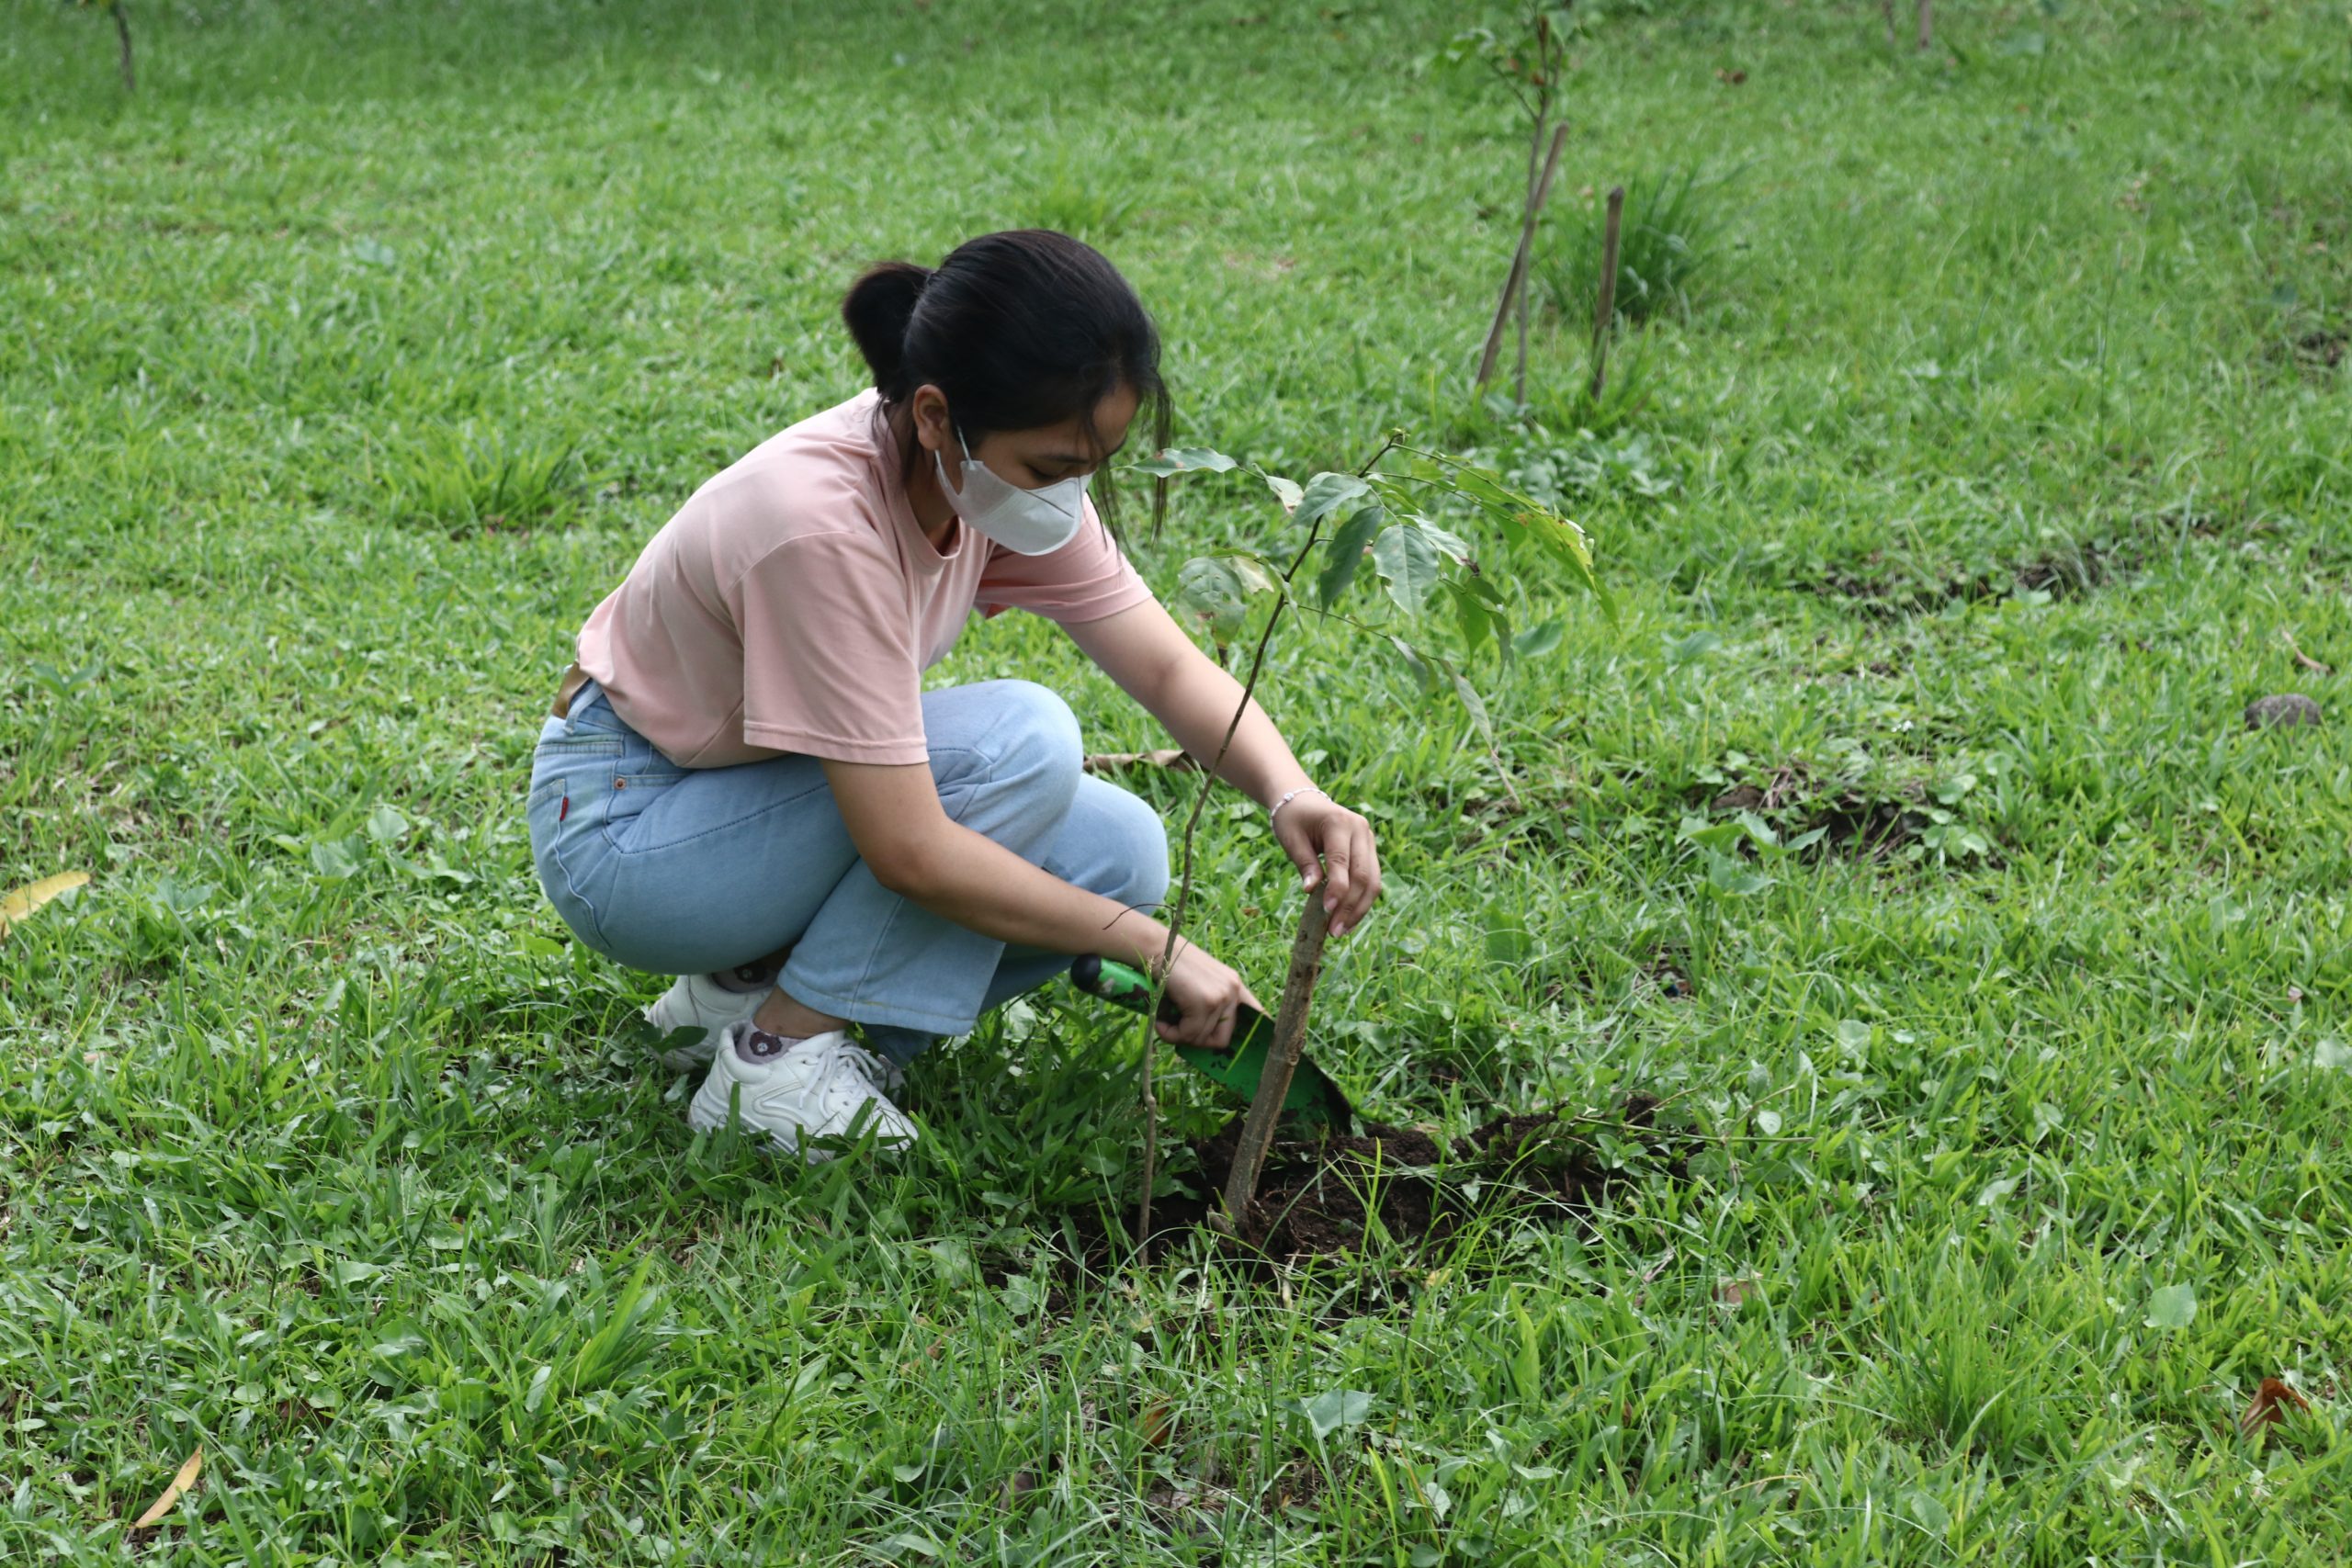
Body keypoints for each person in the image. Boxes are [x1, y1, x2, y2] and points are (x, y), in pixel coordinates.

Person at [525, 230, 1381, 1161]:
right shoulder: (819, 528)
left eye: (1091, 463)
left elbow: (1168, 669)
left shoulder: (990, 481)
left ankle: (739, 996)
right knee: (1019, 740)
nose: (1071, 493)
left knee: (1118, 851)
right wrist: (1151, 948)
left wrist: (1292, 793)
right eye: (1052, 468)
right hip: (628, 832)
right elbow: (909, 851)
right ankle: (777, 1063)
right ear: (936, 416)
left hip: (741, 802)